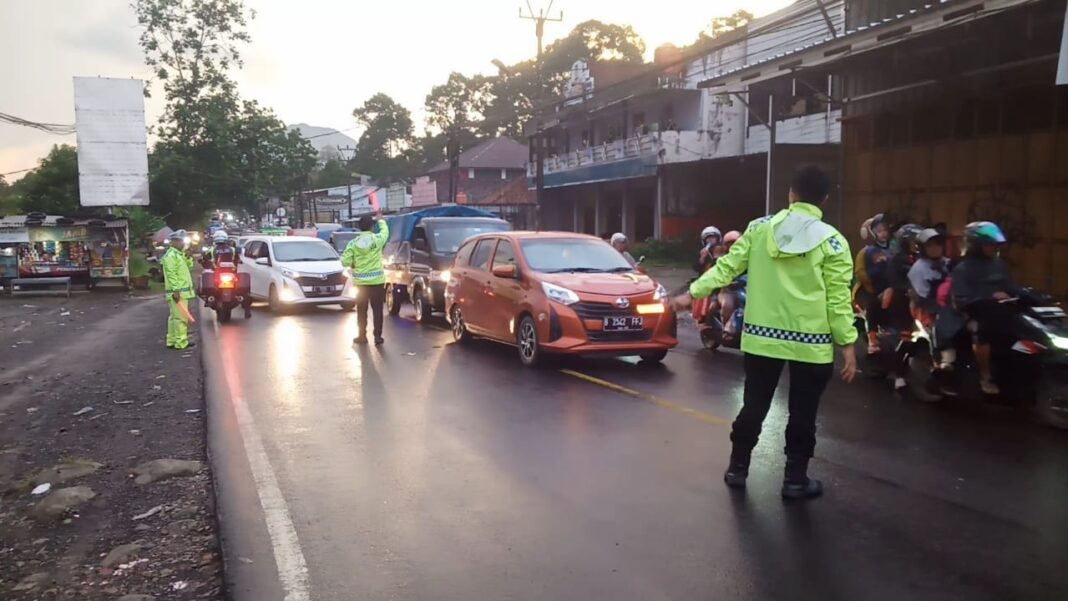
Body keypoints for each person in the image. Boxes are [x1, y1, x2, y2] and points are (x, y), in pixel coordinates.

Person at [673, 166, 857, 500]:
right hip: (811, 345)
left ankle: (737, 468)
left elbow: (726, 268)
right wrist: (847, 343)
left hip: (762, 339)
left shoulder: (759, 229)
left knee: (754, 405)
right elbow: (838, 299)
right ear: (825, 199)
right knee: (803, 412)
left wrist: (693, 294)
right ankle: (795, 480)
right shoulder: (833, 242)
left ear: (791, 193)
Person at [951, 221, 1021, 395]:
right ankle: (985, 375)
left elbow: (1012, 287)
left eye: (995, 245)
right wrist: (988, 298)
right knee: (983, 330)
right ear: (976, 246)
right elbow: (961, 300)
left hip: (1001, 312)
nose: (994, 248)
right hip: (973, 315)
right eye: (990, 245)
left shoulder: (999, 265)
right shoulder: (962, 269)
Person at [342, 213, 390, 345]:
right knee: (378, 311)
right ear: (372, 227)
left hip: (361, 284)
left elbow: (344, 261)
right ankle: (378, 337)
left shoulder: (353, 243)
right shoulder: (377, 239)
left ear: (359, 227)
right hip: (377, 283)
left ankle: (362, 336)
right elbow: (385, 232)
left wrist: (353, 262)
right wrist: (381, 220)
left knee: (361, 310)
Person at [886, 223, 923, 390]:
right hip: (902, 302)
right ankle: (899, 374)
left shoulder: (921, 259)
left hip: (922, 303)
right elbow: (895, 282)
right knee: (906, 338)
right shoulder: (897, 260)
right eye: (913, 241)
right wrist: (908, 289)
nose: (916, 244)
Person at [860, 215, 893, 354]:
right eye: (879, 231)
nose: (883, 233)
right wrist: (880, 264)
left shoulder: (894, 247)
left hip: (895, 286)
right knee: (872, 306)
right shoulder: (869, 251)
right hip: (876, 288)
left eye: (885, 230)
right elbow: (867, 273)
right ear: (873, 233)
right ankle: (872, 340)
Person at [162, 229, 196, 350]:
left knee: (174, 317)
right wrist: (176, 291)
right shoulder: (171, 256)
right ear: (174, 242)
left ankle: (171, 340)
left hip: (181, 292)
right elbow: (172, 274)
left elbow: (188, 267)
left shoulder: (178, 255)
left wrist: (188, 257)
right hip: (178, 293)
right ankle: (181, 342)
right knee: (181, 317)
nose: (184, 244)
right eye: (182, 242)